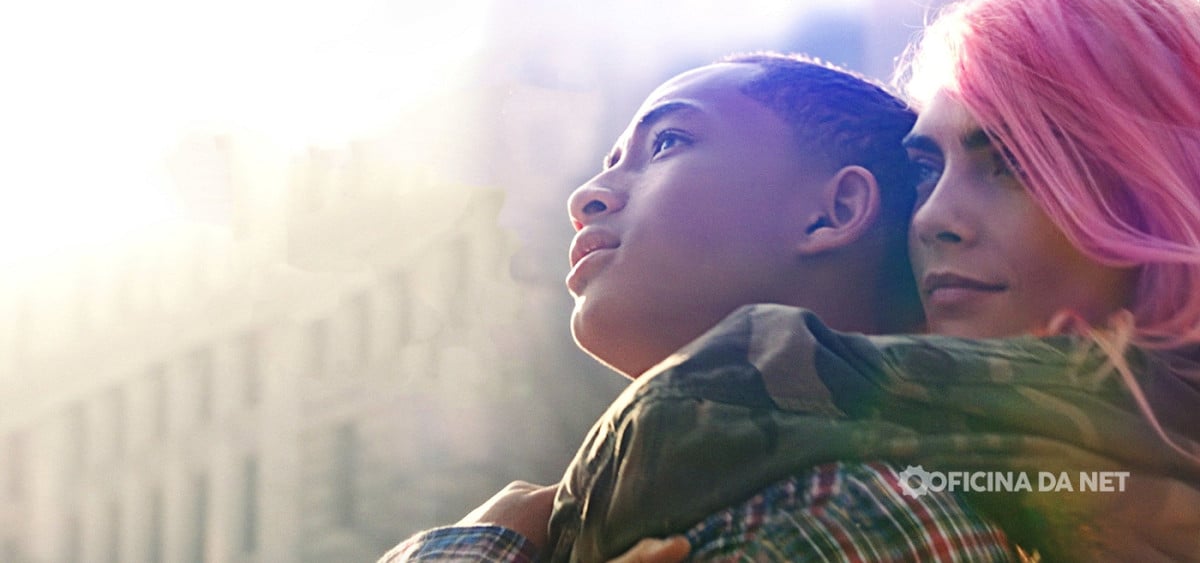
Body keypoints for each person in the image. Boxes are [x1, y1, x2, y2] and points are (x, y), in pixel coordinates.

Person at [548, 0, 1200, 562]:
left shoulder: (850, 506)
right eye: (925, 169)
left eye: (1012, 163)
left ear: (1156, 182)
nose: (934, 218)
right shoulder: (1002, 479)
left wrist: (485, 541)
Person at [377, 54, 1014, 562]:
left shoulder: (842, 518)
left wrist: (471, 548)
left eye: (668, 142)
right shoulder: (678, 500)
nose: (587, 196)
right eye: (611, 161)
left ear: (834, 211)